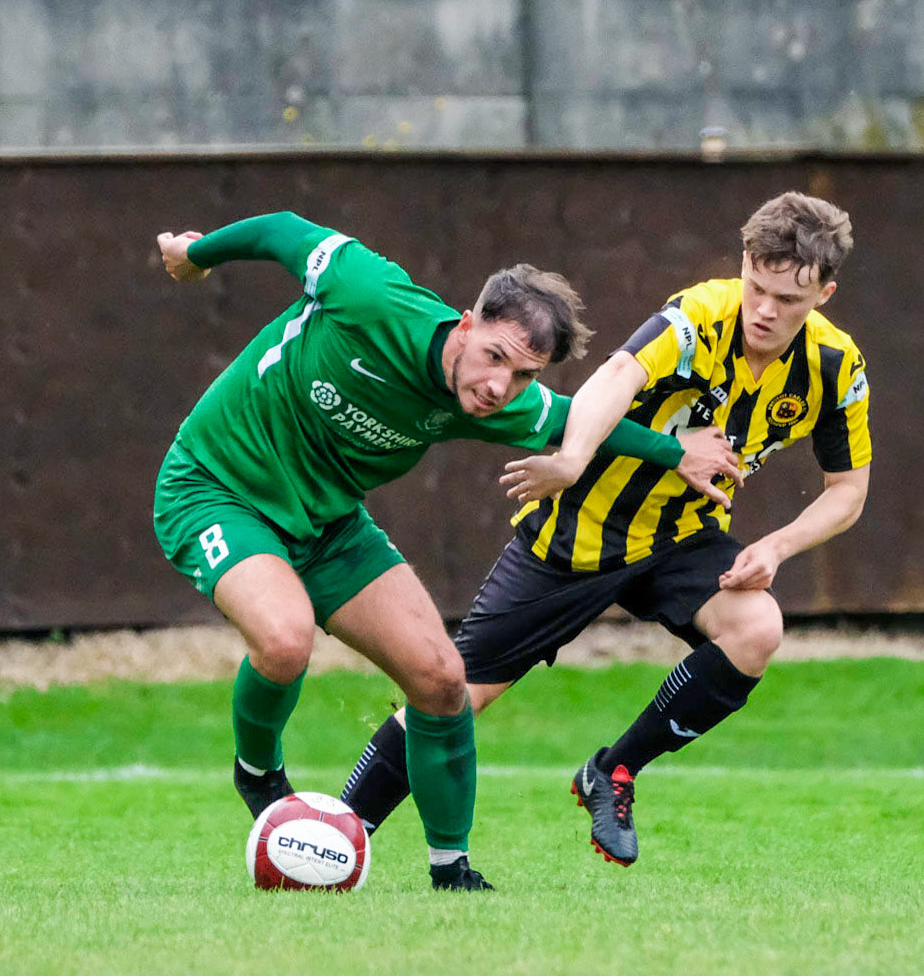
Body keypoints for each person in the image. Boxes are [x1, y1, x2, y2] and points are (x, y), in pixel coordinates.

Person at [151, 211, 742, 890]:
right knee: (285, 639)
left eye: (523, 376)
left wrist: (676, 451)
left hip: (329, 524)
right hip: (217, 487)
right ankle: (259, 777)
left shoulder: (497, 404)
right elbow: (283, 231)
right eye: (495, 356)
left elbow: (581, 422)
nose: (499, 388)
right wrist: (198, 255)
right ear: (466, 323)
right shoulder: (372, 296)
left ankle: (450, 868)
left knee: (440, 680)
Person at [340, 191, 871, 866]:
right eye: (757, 287)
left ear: (824, 292)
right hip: (577, 533)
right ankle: (343, 829)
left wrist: (774, 545)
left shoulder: (835, 366)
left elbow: (848, 492)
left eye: (788, 300)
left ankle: (612, 772)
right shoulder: (700, 316)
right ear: (743, 263)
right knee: (454, 693)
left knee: (757, 626)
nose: (765, 310)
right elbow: (616, 374)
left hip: (682, 536)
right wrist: (569, 460)